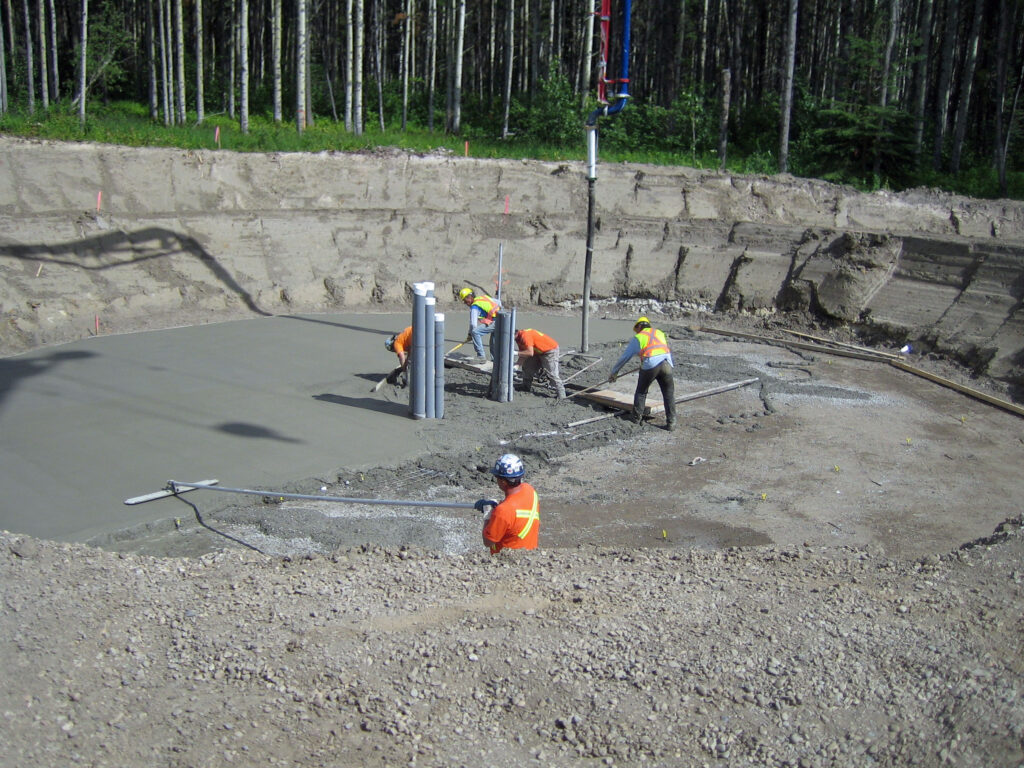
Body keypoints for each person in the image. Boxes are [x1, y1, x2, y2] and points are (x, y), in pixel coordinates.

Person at [609, 316, 676, 430]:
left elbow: (625, 357)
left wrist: (614, 372)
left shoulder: (639, 337)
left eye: (637, 328)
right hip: (666, 364)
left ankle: (636, 418)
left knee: (641, 391)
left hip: (651, 364)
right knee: (668, 393)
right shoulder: (659, 333)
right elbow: (659, 349)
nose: (637, 331)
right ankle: (672, 423)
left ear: (639, 326)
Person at [481, 453, 539, 554]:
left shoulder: (503, 511)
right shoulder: (530, 491)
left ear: (503, 482)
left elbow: (488, 542)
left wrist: (488, 516)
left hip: (507, 561)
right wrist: (498, 505)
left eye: (497, 477)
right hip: (531, 557)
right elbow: (515, 508)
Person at [514, 328, 566, 398]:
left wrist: (515, 353)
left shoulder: (525, 336)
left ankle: (561, 392)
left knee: (551, 373)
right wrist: (517, 365)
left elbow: (529, 352)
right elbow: (524, 353)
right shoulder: (518, 338)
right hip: (536, 351)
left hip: (549, 350)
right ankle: (526, 386)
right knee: (527, 367)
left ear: (514, 334)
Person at [458, 287, 501, 360]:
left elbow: (473, 324)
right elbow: (499, 302)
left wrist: (470, 334)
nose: (465, 303)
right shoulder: (482, 298)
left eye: (465, 301)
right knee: (493, 343)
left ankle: (481, 356)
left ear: (469, 297)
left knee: (475, 332)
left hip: (495, 322)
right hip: (502, 319)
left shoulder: (475, 307)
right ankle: (495, 361)